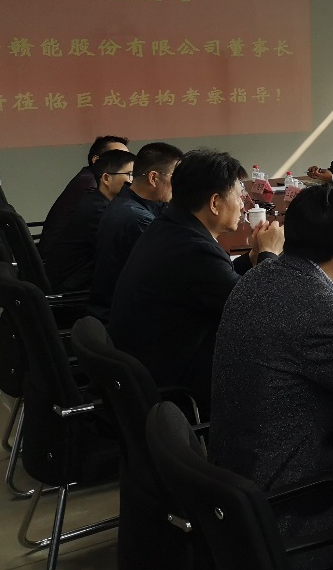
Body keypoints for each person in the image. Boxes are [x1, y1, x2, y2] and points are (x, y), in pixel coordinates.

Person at [212, 183, 333, 570]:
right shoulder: (322, 310)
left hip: (239, 474)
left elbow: (297, 331)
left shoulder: (261, 274)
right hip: (294, 497)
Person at [109, 149, 284, 410]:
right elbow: (259, 311)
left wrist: (252, 258)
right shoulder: (192, 248)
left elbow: (219, 282)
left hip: (153, 364)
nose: (243, 205)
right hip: (179, 387)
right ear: (214, 203)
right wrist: (270, 254)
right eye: (239, 196)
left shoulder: (171, 227)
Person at [90, 141, 184, 319]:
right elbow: (168, 275)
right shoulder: (137, 219)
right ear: (153, 178)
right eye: (176, 177)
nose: (180, 185)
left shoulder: (126, 200)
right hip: (125, 315)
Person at [45, 149, 134, 293]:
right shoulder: (99, 211)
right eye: (129, 174)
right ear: (106, 178)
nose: (132, 181)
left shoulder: (95, 200)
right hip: (74, 289)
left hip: (75, 280)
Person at [39, 135, 129, 261]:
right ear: (96, 160)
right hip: (61, 260)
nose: (126, 162)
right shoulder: (89, 183)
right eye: (117, 157)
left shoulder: (87, 176)